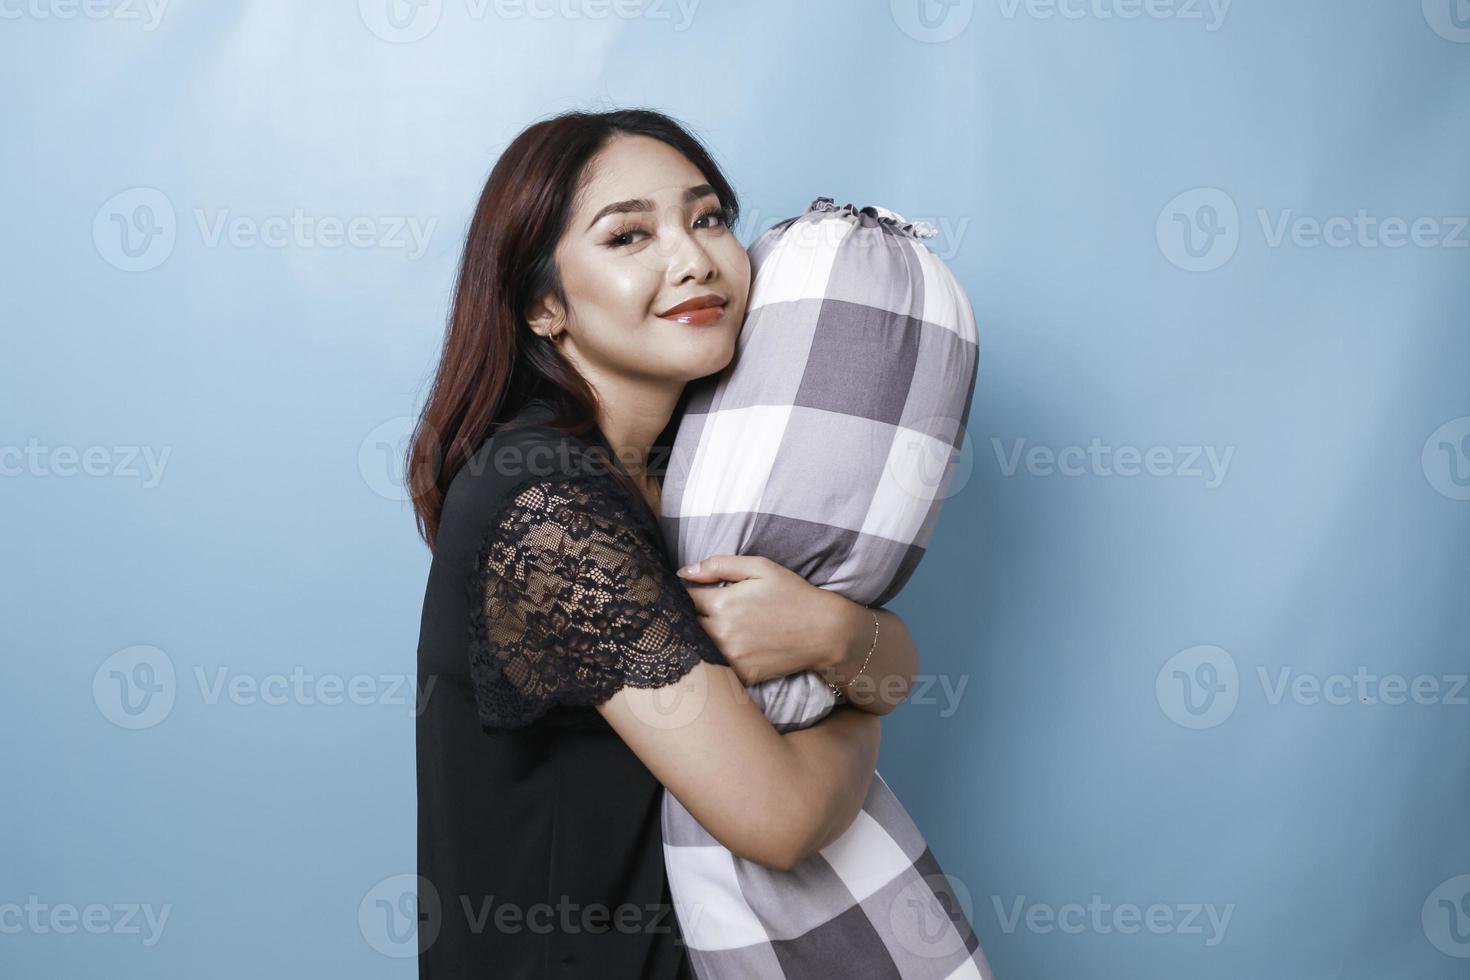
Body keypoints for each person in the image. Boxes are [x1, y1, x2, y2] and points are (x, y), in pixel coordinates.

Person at [409, 108, 925, 978]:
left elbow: (892, 662)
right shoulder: (544, 505)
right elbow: (782, 819)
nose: (693, 258)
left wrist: (832, 635)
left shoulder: (702, 467)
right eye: (628, 236)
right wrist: (859, 694)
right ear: (541, 303)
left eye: (708, 217)